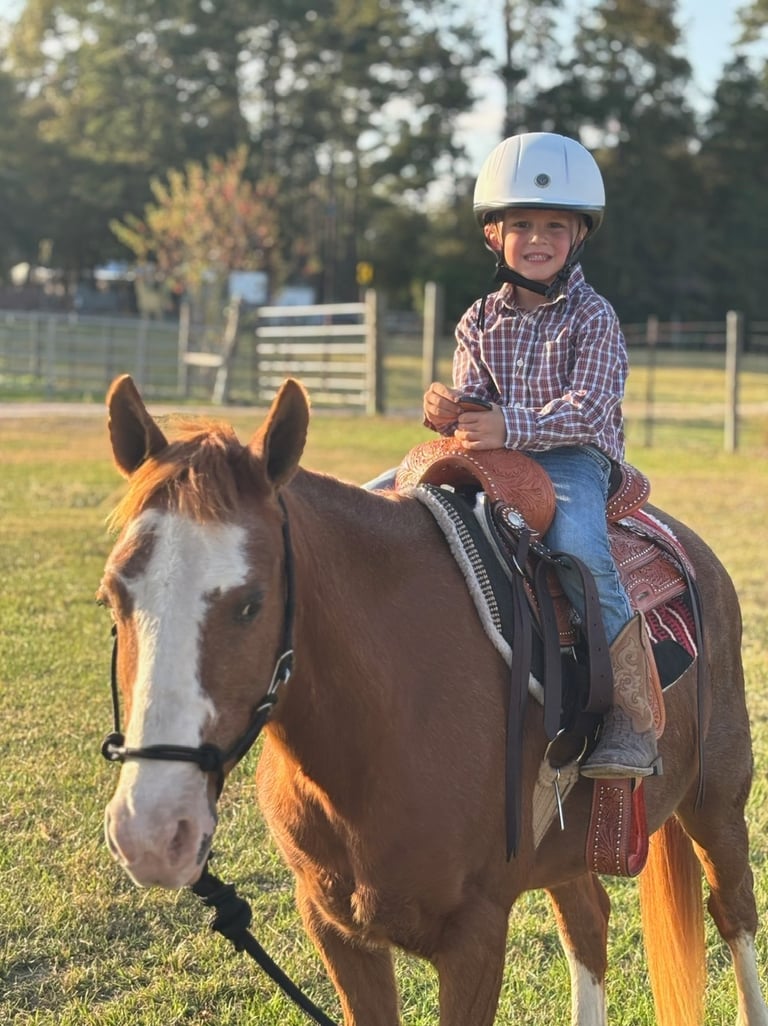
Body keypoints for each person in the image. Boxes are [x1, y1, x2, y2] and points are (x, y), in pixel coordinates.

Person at [374, 131, 660, 779]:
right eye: (521, 224)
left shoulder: (594, 318)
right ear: (493, 236)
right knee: (380, 502)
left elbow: (589, 410)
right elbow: (473, 402)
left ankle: (630, 717)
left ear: (578, 236)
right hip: (493, 455)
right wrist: (447, 408)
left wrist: (510, 426)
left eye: (554, 226)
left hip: (573, 459)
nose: (537, 238)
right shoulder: (478, 320)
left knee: (582, 549)